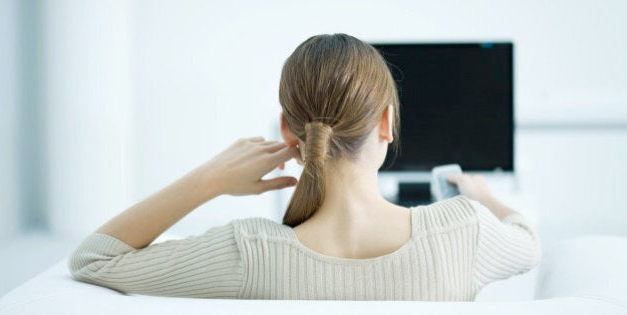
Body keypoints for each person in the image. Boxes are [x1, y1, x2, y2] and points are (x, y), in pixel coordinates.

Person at [69, 33, 541, 301]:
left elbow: (94, 259)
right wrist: (481, 196)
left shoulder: (250, 251)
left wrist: (210, 178)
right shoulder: (463, 230)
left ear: (287, 131)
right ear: (386, 122)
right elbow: (528, 242)